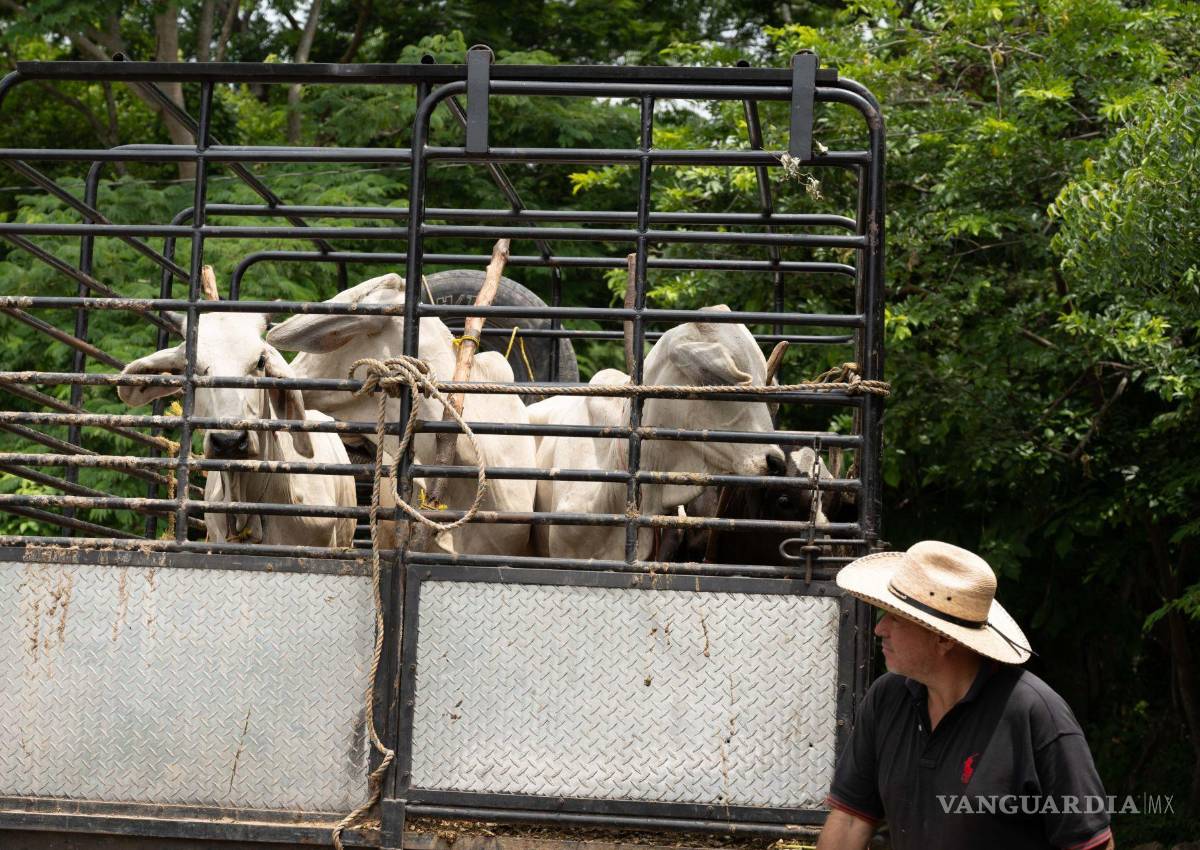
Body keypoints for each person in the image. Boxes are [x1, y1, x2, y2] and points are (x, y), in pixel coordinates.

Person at [816, 540, 1114, 850]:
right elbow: (851, 819)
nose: (880, 629)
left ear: (943, 639)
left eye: (896, 618)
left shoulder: (1035, 714)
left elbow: (1090, 845)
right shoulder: (886, 698)